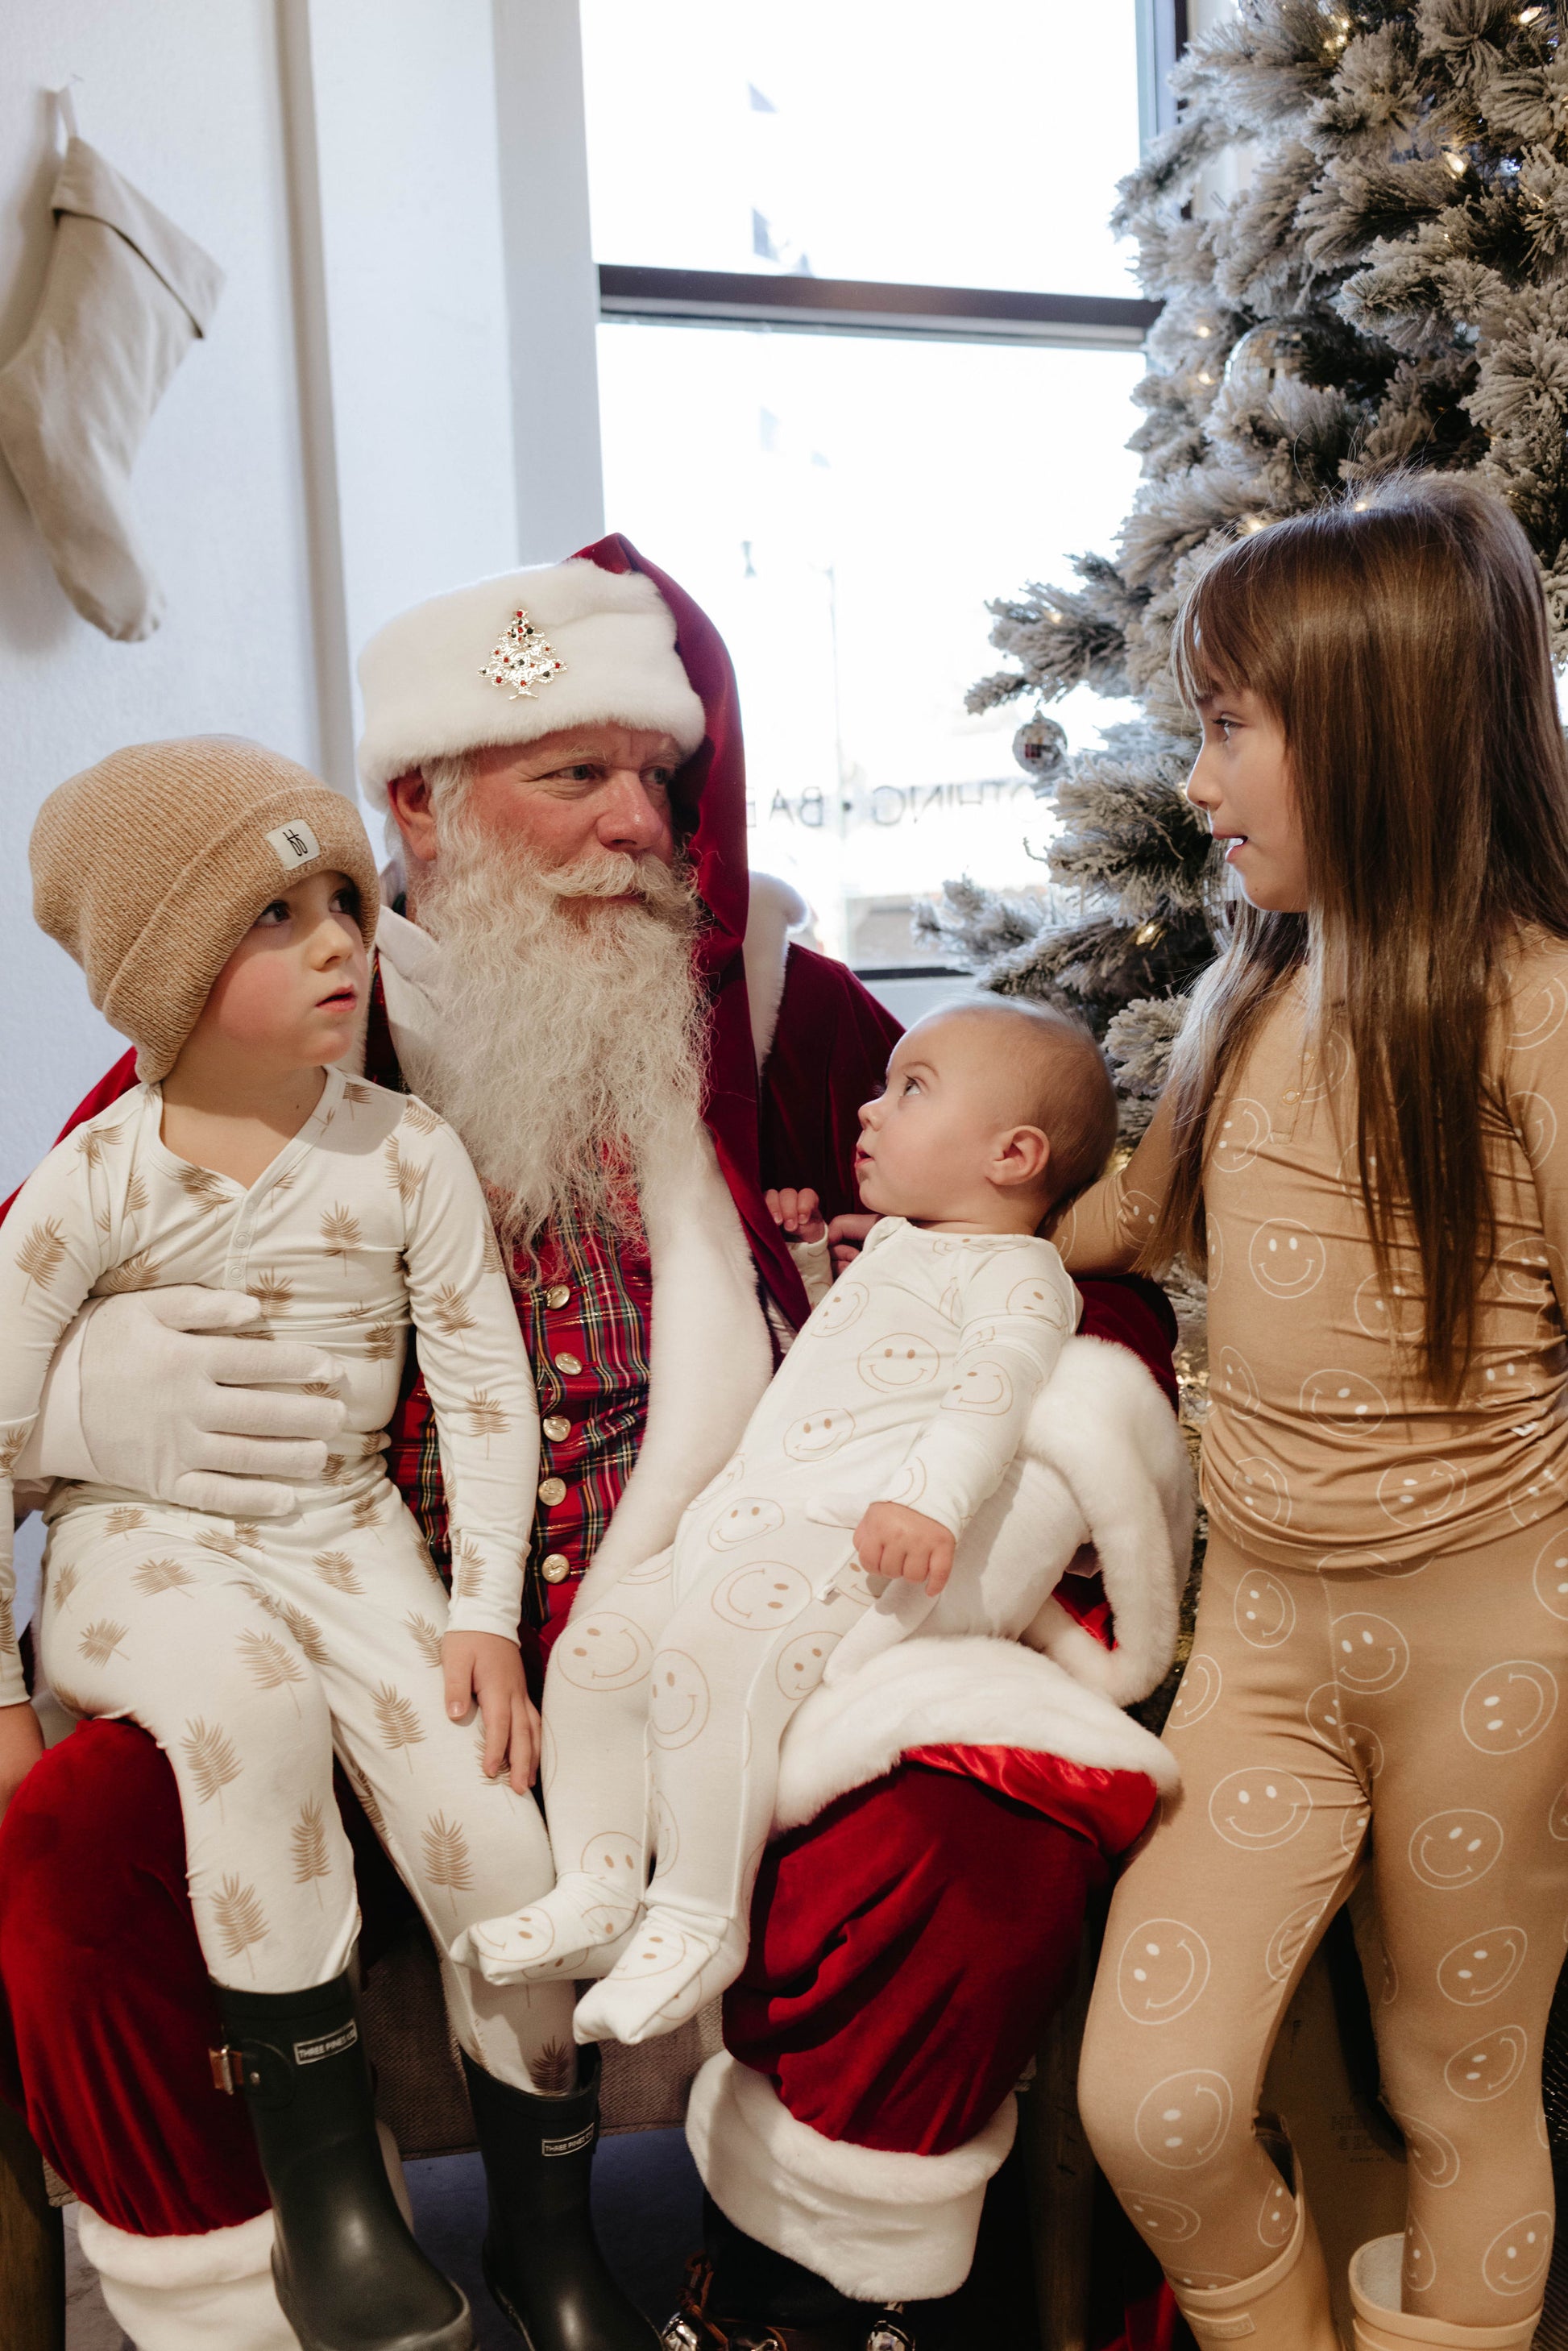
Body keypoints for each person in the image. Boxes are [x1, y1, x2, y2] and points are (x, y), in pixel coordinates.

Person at [0, 540, 1187, 2351]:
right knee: (77, 1844)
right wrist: (88, 1401)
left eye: (662, 777)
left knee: (985, 1827)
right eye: (576, 777)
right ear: (421, 804)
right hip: (348, 1666)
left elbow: (1071, 1249)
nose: (643, 825)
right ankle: (254, 2303)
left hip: (741, 1650)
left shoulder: (784, 1017)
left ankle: (796, 2280)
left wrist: (1009, 1469)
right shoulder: (256, 1019)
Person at [2, 736, 623, 2351]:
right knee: (248, 1712)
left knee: (498, 1846)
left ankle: (546, 2242)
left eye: (342, 896)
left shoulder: (403, 1152)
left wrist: (481, 1612)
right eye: (277, 916)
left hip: (348, 1534)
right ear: (169, 968)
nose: (345, 938)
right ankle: (334, 2212)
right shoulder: (95, 1179)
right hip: (145, 1543)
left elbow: (486, 1376)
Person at [1066, 476, 1568, 2351]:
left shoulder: (1537, 1013)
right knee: (1159, 2100)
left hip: (1492, 1650)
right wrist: (969, 1238)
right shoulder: (1247, 993)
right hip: (1263, 1643)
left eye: (1223, 728)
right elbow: (1137, 1216)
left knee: (1459, 2094)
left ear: (1375, 717)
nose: (1195, 785)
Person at [460, 999, 1126, 2055]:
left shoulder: (1020, 1278)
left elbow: (985, 1399)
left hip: (841, 1542)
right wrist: (814, 1266)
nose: (869, 1106)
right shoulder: (903, 1247)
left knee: (704, 1660)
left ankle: (696, 1912)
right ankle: (596, 1877)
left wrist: (928, 1501)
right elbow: (828, 1367)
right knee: (598, 1646)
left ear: (1012, 1153)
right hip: (745, 1515)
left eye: (912, 1087)